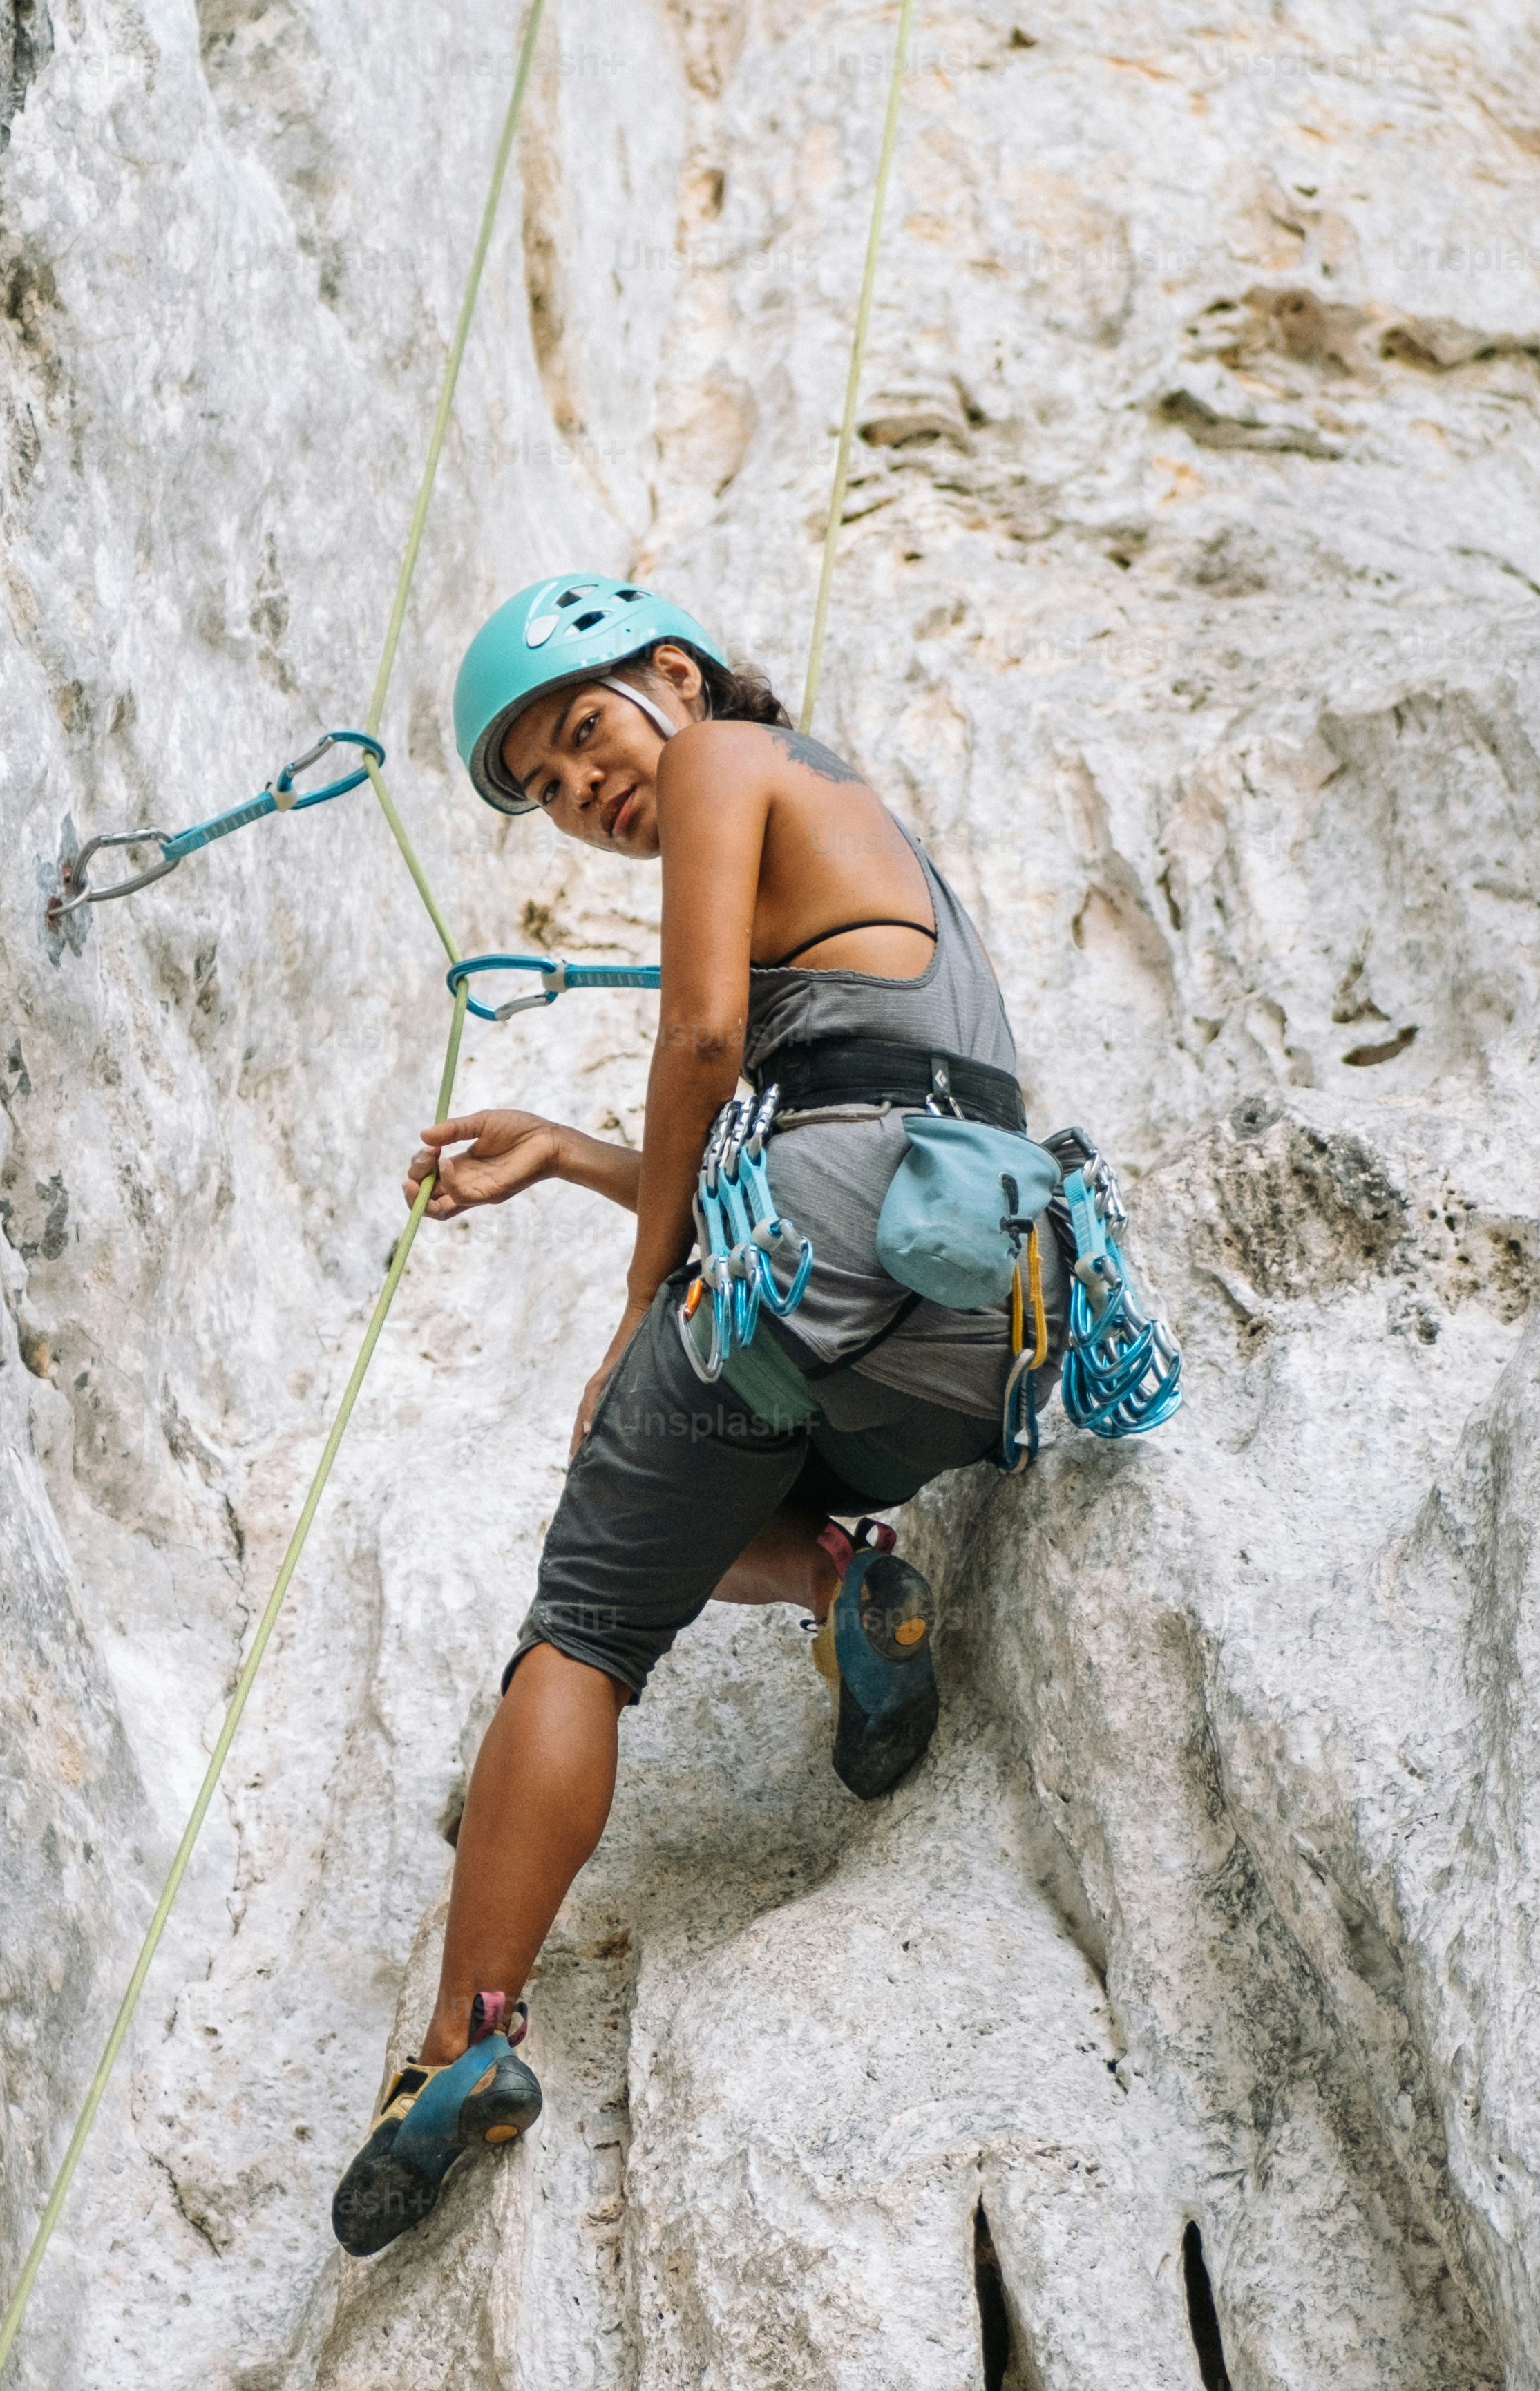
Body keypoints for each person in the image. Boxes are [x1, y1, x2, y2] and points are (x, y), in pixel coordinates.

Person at [332, 573, 1050, 2259]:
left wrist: (637, 1306)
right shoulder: (862, 827)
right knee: (716, 1462)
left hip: (821, 1243)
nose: (587, 791)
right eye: (554, 790)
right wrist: (575, 1159)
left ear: (671, 675)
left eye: (584, 733)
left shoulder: (732, 755)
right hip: (974, 1307)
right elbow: (853, 1089)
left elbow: (709, 1039)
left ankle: (460, 2052)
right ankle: (842, 1577)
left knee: (583, 1615)